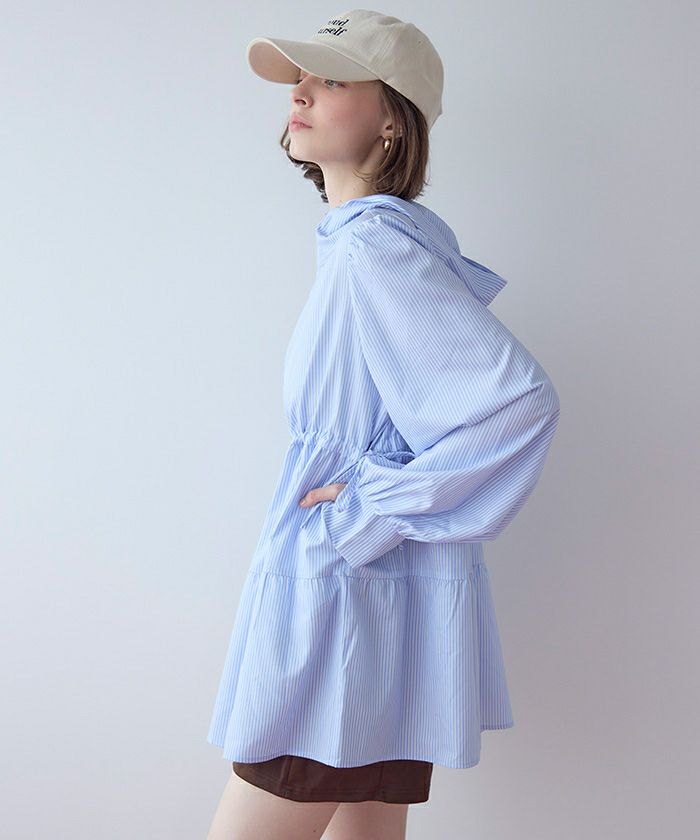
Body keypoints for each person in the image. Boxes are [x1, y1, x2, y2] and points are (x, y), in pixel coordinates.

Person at [207, 10, 561, 840]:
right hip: (380, 615)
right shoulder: (368, 246)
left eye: (331, 78)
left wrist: (367, 507)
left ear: (393, 118)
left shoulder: (375, 249)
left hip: (343, 612)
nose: (300, 93)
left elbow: (516, 403)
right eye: (301, 78)